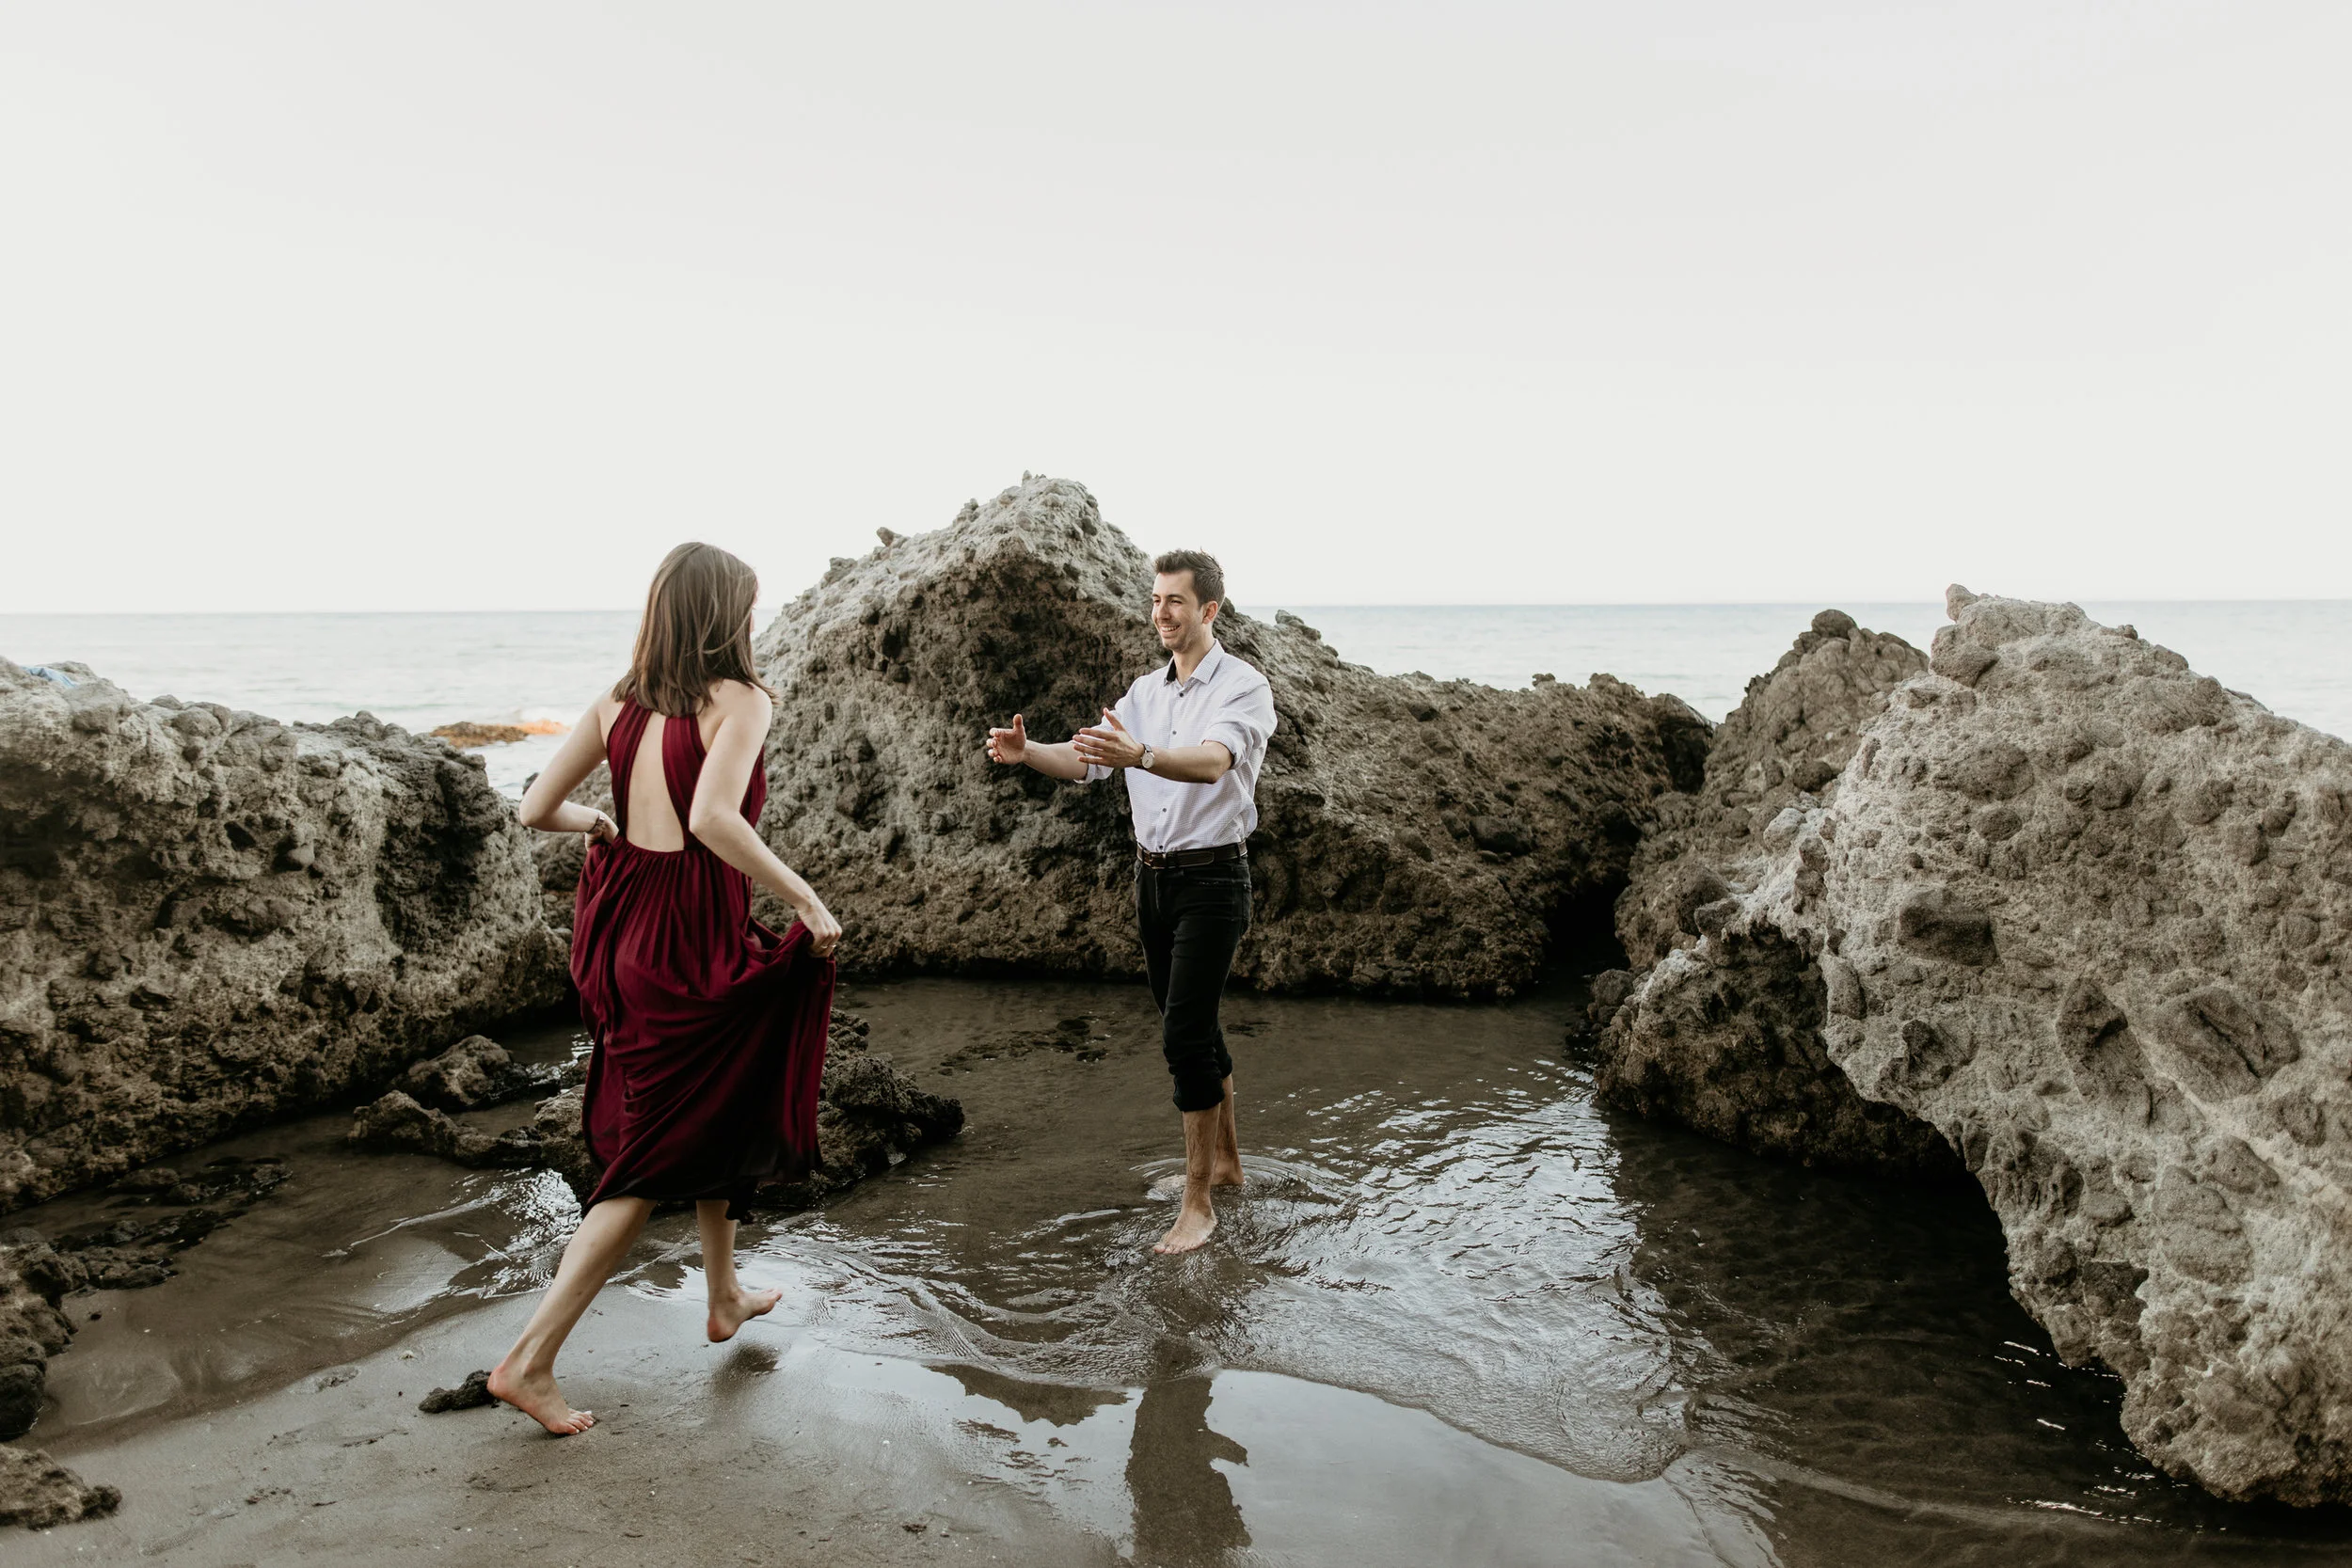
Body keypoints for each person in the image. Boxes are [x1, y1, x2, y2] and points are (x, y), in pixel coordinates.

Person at [489, 542, 843, 1435]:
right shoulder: (743, 700)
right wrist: (804, 897)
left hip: (621, 933)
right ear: (726, 615)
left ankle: (723, 1293)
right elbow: (713, 819)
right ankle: (528, 1363)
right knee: (644, 1161)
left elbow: (536, 808)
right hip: (684, 935)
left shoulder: (617, 700)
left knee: (719, 1089)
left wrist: (596, 817)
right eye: (748, 607)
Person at [985, 550, 1276, 1255]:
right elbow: (1088, 759)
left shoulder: (1243, 686)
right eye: (1155, 600)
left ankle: (1197, 1202)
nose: (1161, 613)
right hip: (1153, 880)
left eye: (1175, 601)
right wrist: (1030, 754)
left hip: (1214, 879)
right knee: (1195, 1025)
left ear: (1208, 610)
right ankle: (1229, 1161)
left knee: (1182, 1036)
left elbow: (1212, 762)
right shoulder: (1145, 690)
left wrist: (1140, 755)